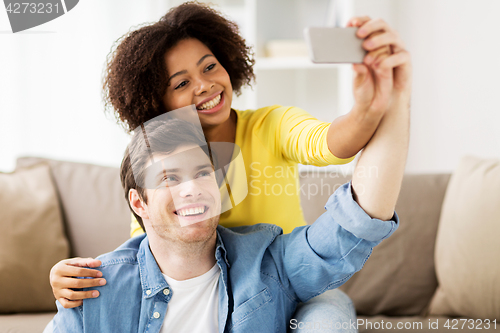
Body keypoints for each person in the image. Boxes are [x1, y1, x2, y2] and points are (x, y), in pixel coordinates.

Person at [48, 1, 409, 329]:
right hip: (223, 291)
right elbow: (148, 249)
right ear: (158, 100)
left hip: (292, 278)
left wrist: (368, 108)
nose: (205, 85)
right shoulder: (155, 161)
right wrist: (72, 279)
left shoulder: (269, 125)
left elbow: (331, 143)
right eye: (183, 82)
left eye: (210, 67)